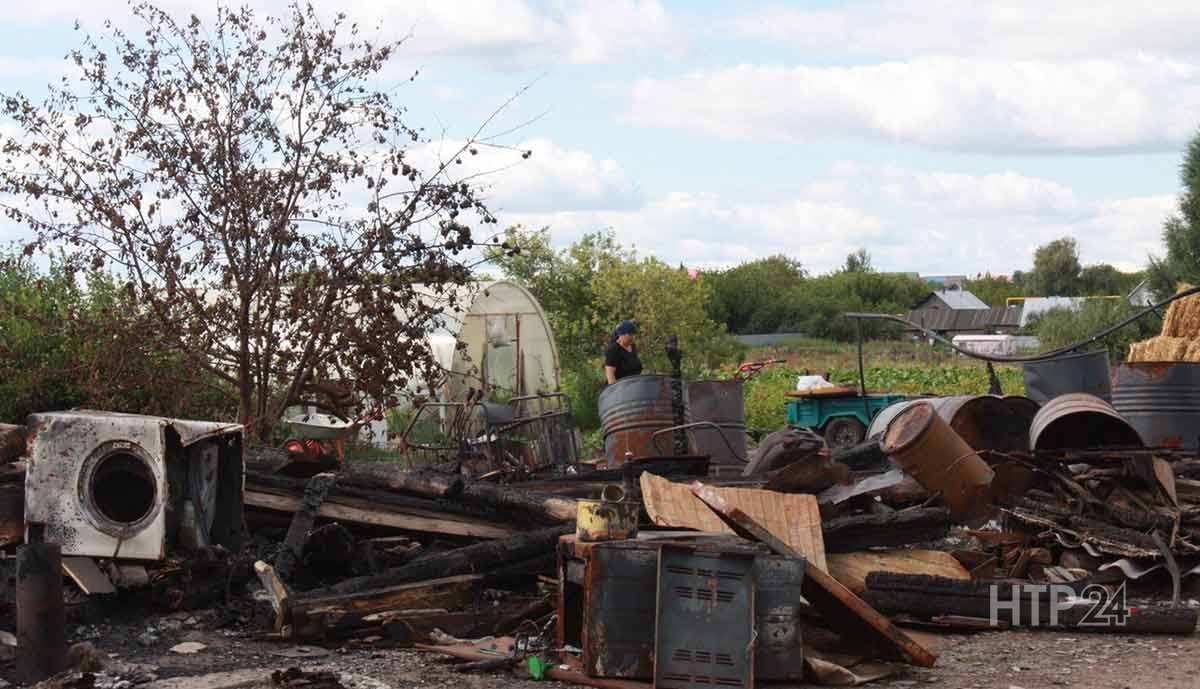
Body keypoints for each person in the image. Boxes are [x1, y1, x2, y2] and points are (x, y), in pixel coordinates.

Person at [604, 320, 643, 384]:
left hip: (635, 386)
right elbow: (610, 377)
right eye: (630, 334)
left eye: (633, 334)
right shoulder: (613, 350)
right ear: (621, 334)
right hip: (621, 389)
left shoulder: (632, 346)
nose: (633, 337)